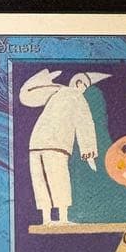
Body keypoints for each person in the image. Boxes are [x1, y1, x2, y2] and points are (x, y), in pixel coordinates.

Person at [19, 68, 110, 225]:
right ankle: (62, 218)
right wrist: (89, 153)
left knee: (40, 180)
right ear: (79, 83)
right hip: (56, 144)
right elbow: (85, 125)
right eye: (84, 86)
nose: (83, 90)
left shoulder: (55, 91)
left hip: (36, 142)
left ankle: (46, 219)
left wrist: (42, 78)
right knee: (59, 179)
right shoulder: (76, 96)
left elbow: (26, 95)